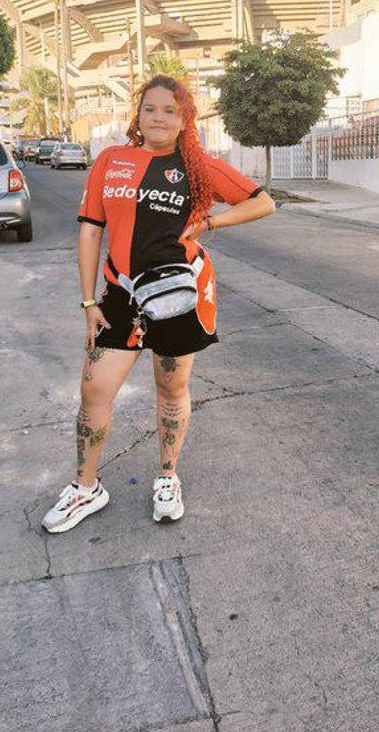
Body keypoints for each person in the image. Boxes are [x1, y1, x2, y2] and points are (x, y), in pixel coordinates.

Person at [42, 74, 275, 533]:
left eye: (171, 110)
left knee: (172, 390)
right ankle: (86, 487)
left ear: (185, 118)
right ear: (138, 114)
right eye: (150, 108)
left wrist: (212, 222)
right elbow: (90, 230)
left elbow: (261, 202)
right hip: (119, 296)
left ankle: (167, 476)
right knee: (94, 391)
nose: (159, 117)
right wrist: (89, 300)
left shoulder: (199, 165)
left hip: (175, 297)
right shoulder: (112, 161)